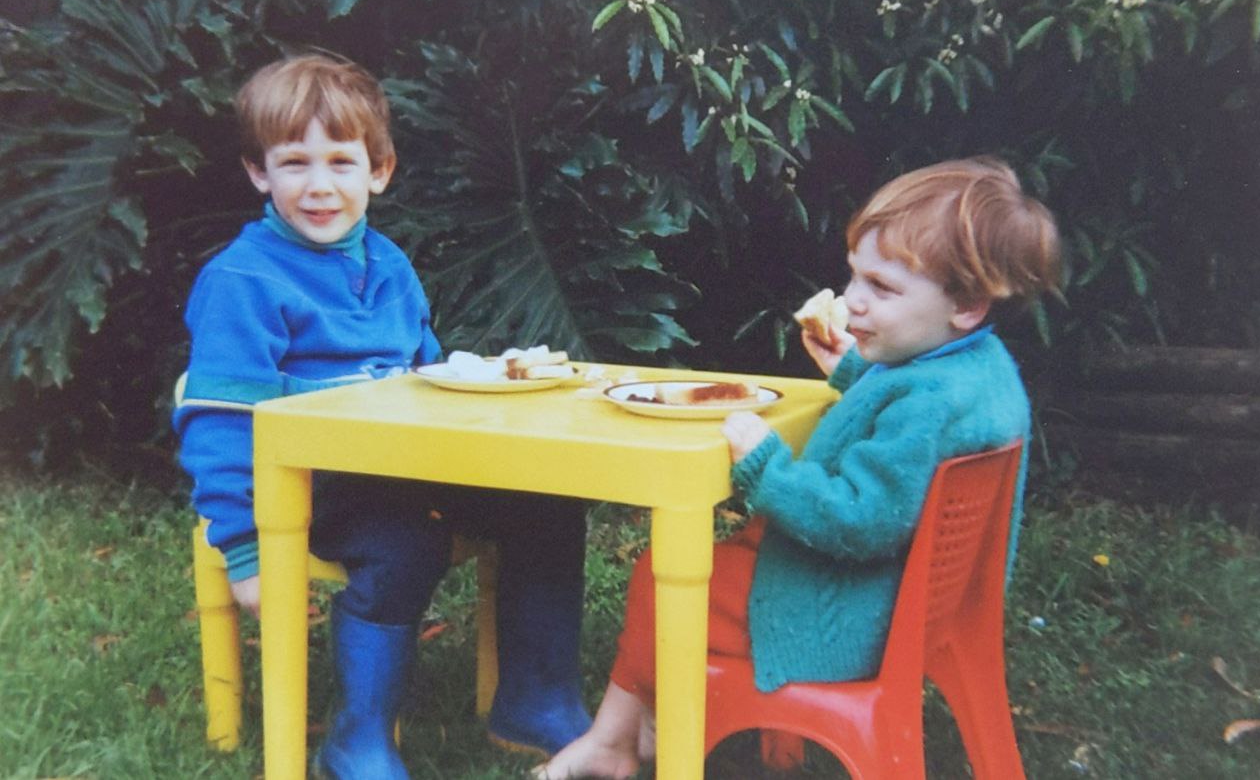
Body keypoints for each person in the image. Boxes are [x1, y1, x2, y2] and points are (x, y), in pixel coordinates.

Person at [536, 156, 1061, 779]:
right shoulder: (977, 373)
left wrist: (767, 470)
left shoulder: (928, 400)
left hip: (848, 618)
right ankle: (636, 724)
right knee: (699, 569)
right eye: (854, 278)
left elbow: (863, 517)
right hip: (916, 612)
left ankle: (616, 740)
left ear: (967, 304)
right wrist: (854, 370)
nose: (852, 302)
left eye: (882, 289)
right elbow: (904, 418)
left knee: (660, 577)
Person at [172, 53, 590, 780]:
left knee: (547, 501)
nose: (320, 185)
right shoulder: (244, 279)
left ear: (379, 171)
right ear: (258, 173)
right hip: (313, 489)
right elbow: (217, 424)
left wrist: (465, 390)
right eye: (295, 162)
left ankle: (534, 697)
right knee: (403, 542)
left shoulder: (389, 264)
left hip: (409, 466)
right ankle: (359, 736)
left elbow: (421, 377)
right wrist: (246, 547)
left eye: (341, 161)